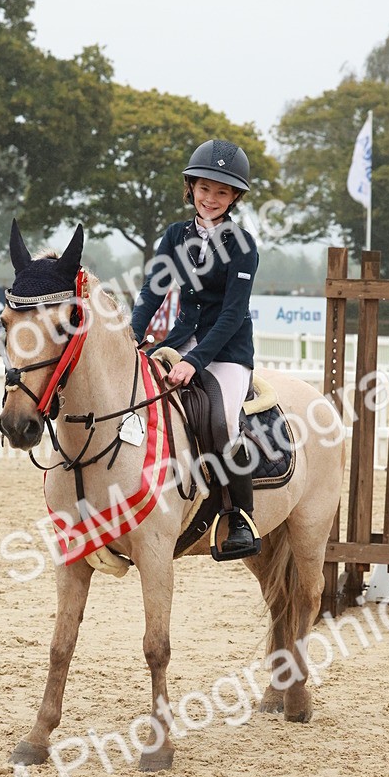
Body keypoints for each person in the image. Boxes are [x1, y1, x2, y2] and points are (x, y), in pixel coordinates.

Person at [130, 138, 261, 558]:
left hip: (226, 351)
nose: (211, 198)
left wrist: (194, 361)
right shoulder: (174, 236)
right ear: (191, 188)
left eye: (221, 192)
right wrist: (132, 336)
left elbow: (233, 314)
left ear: (234, 197)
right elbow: (153, 293)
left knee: (222, 421)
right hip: (181, 339)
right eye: (205, 188)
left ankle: (240, 516)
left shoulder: (243, 246)